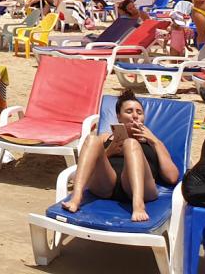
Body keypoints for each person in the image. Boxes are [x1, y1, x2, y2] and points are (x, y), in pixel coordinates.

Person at [61, 90, 180, 222]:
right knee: (91, 139)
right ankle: (76, 197)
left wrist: (154, 141)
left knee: (131, 143)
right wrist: (109, 152)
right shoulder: (106, 138)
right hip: (107, 185)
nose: (135, 116)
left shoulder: (153, 142)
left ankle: (138, 204)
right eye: (129, 111)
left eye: (139, 112)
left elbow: (172, 177)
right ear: (118, 116)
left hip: (142, 189)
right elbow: (86, 169)